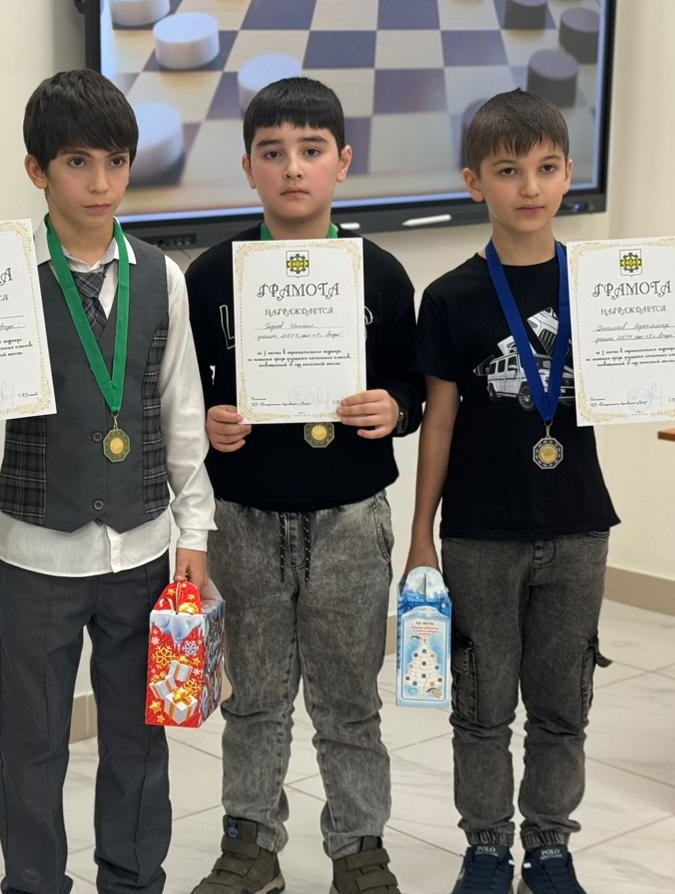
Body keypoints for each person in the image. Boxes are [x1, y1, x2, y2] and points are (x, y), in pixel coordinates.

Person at [0, 69, 214, 893]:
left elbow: (182, 412)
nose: (100, 183)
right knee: (30, 743)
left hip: (143, 547)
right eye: (76, 162)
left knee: (139, 737)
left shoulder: (162, 278)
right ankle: (33, 883)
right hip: (36, 553)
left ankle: (133, 880)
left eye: (116, 161)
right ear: (37, 170)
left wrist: (195, 533)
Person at [406, 88, 675, 894]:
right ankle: (484, 848)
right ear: (475, 182)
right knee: (480, 704)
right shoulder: (451, 297)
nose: (530, 187)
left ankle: (549, 845)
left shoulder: (605, 284)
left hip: (578, 525)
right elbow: (438, 423)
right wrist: (421, 536)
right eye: (508, 170)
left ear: (569, 173)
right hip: (479, 532)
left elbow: (646, 373)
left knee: (563, 704)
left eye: (546, 168)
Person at [184, 76, 420, 894]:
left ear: (342, 162)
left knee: (349, 699)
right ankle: (251, 844)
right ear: (248, 166)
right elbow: (184, 395)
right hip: (244, 519)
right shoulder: (209, 277)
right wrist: (208, 423)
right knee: (254, 697)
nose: (292, 168)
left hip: (350, 519)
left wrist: (397, 406)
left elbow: (411, 386)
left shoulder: (381, 275)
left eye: (311, 151)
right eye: (273, 152)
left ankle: (359, 848)